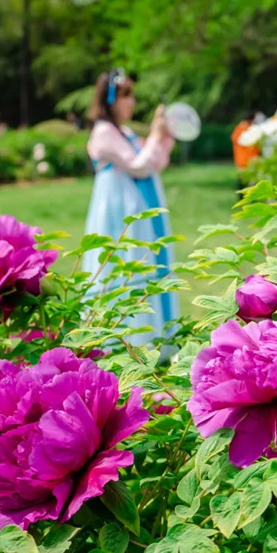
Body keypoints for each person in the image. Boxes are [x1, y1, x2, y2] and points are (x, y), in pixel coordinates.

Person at [83, 68, 177, 346]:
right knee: (124, 259)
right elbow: (138, 166)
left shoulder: (123, 131)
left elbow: (155, 162)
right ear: (110, 99)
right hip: (119, 208)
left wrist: (162, 136)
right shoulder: (104, 132)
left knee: (144, 258)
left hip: (137, 205)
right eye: (126, 96)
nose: (132, 103)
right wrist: (154, 134)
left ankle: (154, 334)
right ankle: (126, 338)